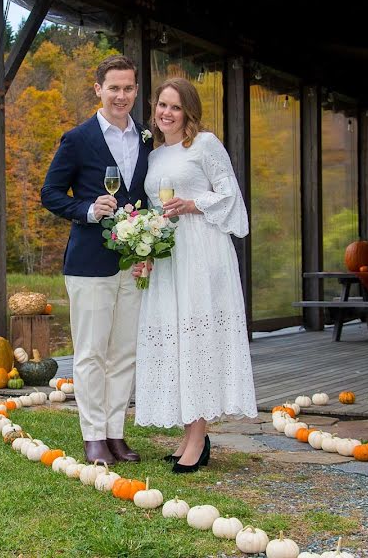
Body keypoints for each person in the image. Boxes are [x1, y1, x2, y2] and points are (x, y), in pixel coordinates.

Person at [133, 77, 257, 473]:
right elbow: (154, 212)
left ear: (188, 111)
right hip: (169, 258)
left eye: (175, 107)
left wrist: (194, 203)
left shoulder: (204, 145)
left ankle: (199, 437)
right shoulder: (153, 158)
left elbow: (230, 194)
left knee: (198, 336)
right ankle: (189, 434)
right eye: (161, 105)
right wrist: (145, 248)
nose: (166, 113)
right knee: (177, 340)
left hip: (203, 253)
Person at [41, 55, 152, 465]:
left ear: (136, 91)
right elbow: (50, 194)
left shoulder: (145, 137)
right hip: (89, 262)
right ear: (98, 89)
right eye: (114, 88)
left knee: (124, 352)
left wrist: (149, 245)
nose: (121, 95)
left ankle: (116, 434)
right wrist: (88, 210)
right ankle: (92, 437)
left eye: (128, 88)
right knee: (90, 353)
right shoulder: (78, 138)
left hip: (133, 262)